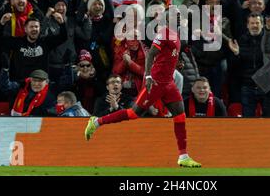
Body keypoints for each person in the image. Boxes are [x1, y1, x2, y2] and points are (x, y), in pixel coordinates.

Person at [84, 9, 202, 168]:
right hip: (155, 82)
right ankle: (97, 121)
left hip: (168, 83)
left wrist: (176, 62)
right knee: (133, 113)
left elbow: (168, 54)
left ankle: (183, 155)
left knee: (180, 115)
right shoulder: (164, 33)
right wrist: (147, 76)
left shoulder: (176, 34)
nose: (179, 18)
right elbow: (151, 55)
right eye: (175, 16)